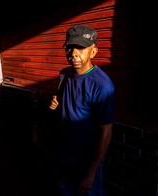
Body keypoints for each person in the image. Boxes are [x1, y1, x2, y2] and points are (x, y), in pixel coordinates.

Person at [49, 24, 115, 196]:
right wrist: (57, 102)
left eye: (81, 48)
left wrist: (91, 172)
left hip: (88, 157)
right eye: (70, 48)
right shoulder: (65, 74)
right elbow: (62, 98)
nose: (73, 53)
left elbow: (106, 134)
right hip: (65, 151)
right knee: (65, 190)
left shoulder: (102, 86)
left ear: (93, 52)